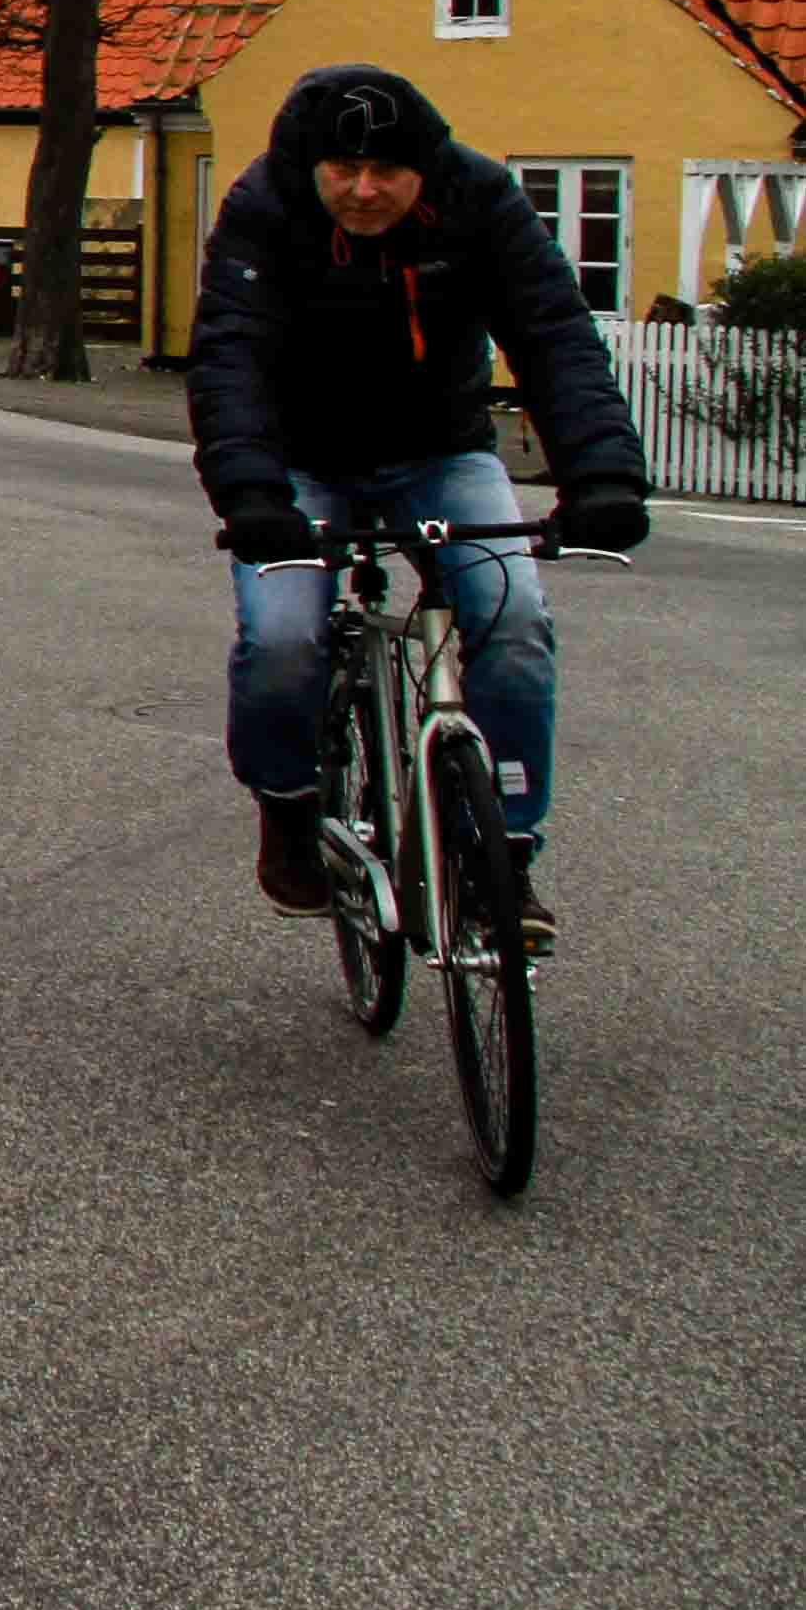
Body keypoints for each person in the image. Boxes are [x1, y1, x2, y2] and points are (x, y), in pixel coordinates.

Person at [192, 64, 646, 950]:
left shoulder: (480, 200)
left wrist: (602, 478)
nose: (363, 191)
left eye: (387, 173)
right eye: (342, 170)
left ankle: (500, 858)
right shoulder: (265, 206)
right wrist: (251, 495)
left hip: (440, 452)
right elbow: (229, 355)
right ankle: (288, 806)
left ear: (424, 170)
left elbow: (554, 336)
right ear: (312, 163)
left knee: (511, 620)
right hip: (300, 465)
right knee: (282, 636)